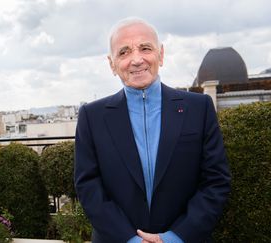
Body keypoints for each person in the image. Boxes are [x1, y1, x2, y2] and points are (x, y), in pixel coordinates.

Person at [74, 17, 231, 243]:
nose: (136, 60)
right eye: (124, 52)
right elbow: (88, 186)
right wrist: (130, 239)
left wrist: (175, 237)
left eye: (145, 48)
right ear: (112, 64)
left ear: (161, 54)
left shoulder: (199, 108)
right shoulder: (92, 116)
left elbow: (216, 181)